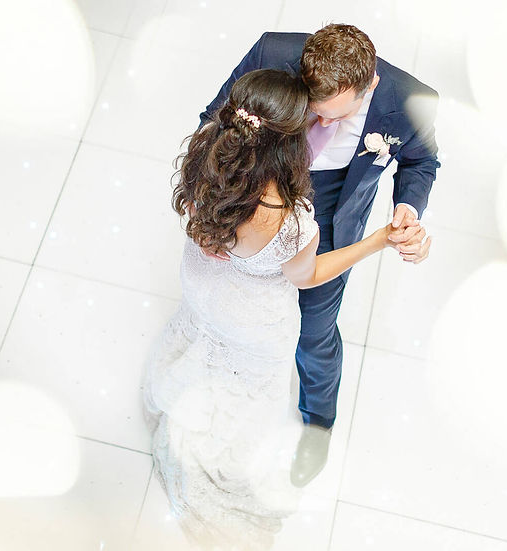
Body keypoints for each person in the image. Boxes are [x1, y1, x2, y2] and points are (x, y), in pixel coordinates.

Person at [142, 68, 406, 550]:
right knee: (249, 395)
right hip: (254, 322)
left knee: (200, 343)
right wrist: (377, 241)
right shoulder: (290, 222)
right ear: (288, 143)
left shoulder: (205, 155)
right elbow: (306, 276)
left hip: (202, 286)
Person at [199, 24, 440, 485]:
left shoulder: (411, 99)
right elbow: (214, 120)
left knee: (313, 333)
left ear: (369, 85)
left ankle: (317, 424)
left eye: (336, 117)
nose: (321, 126)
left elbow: (421, 161)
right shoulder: (273, 51)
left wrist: (406, 211)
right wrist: (209, 210)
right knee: (235, 311)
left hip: (330, 212)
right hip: (254, 191)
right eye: (315, 112)